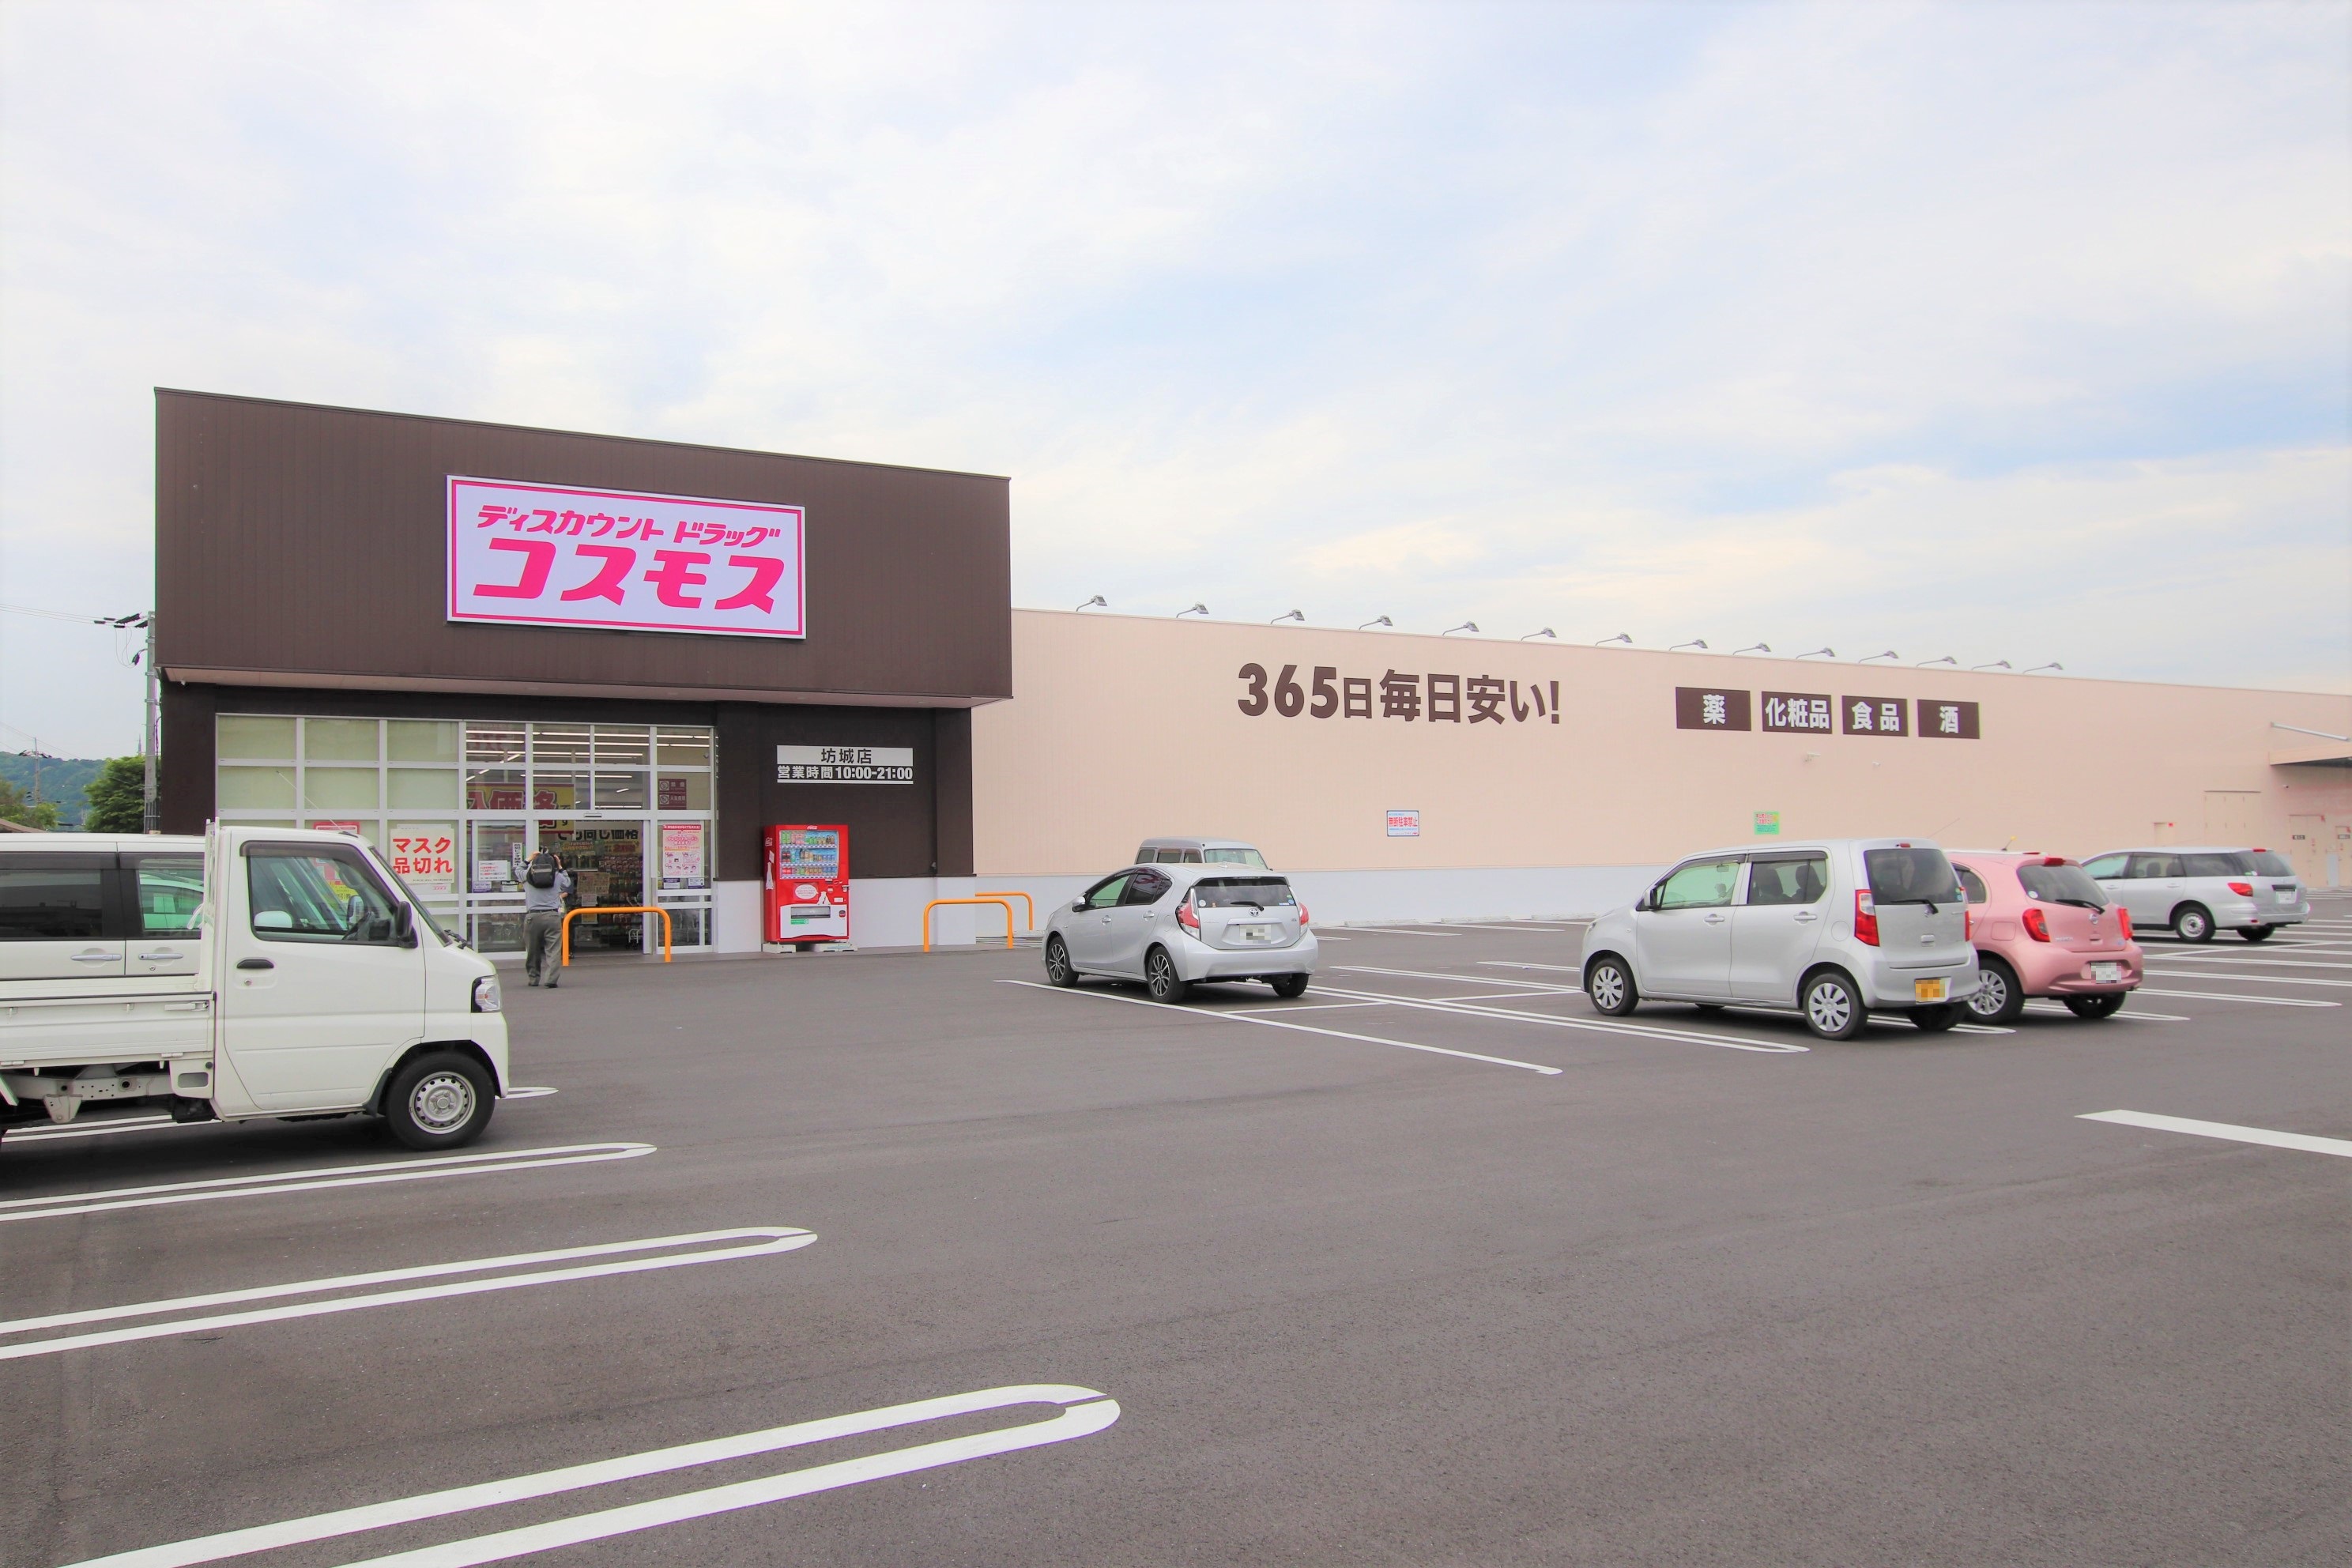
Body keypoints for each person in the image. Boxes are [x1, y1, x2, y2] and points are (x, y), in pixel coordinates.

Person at [522, 850, 573, 988]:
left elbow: (517, 871)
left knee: (532, 950)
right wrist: (560, 867)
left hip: (532, 917)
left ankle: (533, 979)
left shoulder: (527, 876)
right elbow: (568, 883)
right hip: (552, 916)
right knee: (553, 950)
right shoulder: (557, 876)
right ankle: (551, 979)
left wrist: (528, 859)